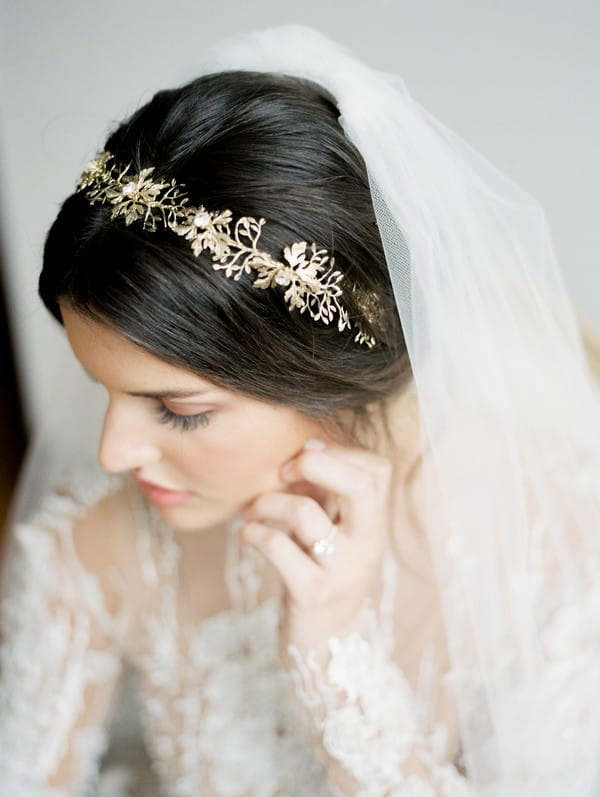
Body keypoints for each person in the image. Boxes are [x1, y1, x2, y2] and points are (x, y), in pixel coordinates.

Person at [1, 24, 600, 797]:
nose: (112, 452)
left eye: (178, 410)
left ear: (324, 380)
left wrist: (335, 658)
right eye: (103, 388)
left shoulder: (552, 537)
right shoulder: (93, 547)